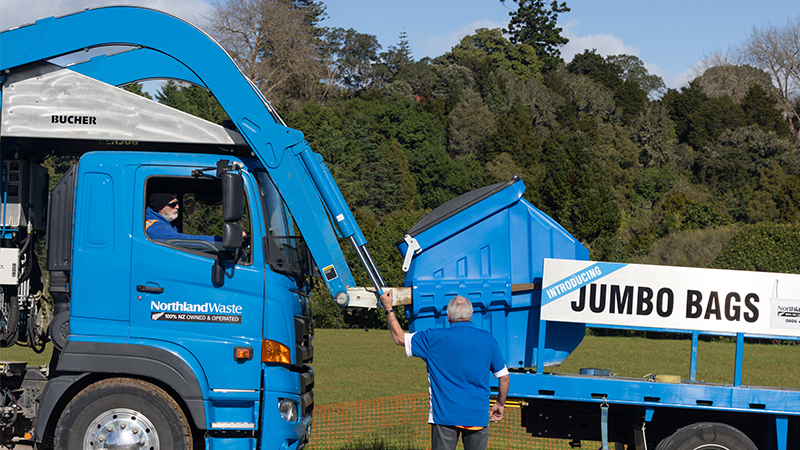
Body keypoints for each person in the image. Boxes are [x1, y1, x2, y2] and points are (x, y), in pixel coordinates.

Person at [380, 290, 510, 450]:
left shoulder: (433, 338)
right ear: (471, 314)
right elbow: (503, 377)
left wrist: (388, 308)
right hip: (477, 415)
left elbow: (400, 338)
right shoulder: (488, 339)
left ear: (448, 315)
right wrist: (500, 404)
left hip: (444, 416)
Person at [145, 192, 220, 244]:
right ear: (159, 208)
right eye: (173, 204)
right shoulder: (155, 229)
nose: (177, 207)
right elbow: (185, 241)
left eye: (177, 203)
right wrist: (216, 241)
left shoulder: (166, 223)